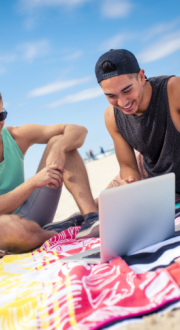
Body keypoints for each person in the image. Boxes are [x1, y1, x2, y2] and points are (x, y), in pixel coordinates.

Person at [0, 93, 99, 253]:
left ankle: (92, 218)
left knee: (60, 139)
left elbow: (78, 130)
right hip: (6, 227)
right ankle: (57, 231)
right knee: (6, 231)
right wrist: (32, 183)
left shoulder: (15, 136)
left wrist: (59, 147)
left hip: (31, 211)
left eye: (1, 115)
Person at [94, 49, 180, 204]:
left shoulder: (174, 90)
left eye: (127, 90)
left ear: (141, 77)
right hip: (153, 177)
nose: (122, 103)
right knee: (100, 203)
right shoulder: (111, 117)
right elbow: (127, 165)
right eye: (111, 96)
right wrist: (129, 181)